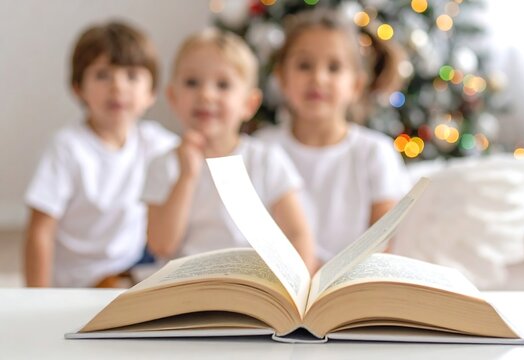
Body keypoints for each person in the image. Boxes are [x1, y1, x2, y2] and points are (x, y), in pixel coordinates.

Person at [141, 28, 317, 273]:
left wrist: (300, 287)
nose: (206, 94)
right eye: (192, 82)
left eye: (223, 85)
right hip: (183, 286)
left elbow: (297, 232)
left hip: (250, 285)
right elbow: (161, 245)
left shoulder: (266, 160)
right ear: (172, 96)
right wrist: (186, 176)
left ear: (249, 104)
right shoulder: (164, 164)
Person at [23, 21, 178, 287]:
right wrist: (37, 295)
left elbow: (199, 160)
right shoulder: (67, 147)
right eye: (102, 75)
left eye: (131, 76)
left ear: (151, 93)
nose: (117, 87)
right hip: (78, 279)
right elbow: (40, 230)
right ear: (78, 88)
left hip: (132, 267)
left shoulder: (154, 141)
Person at [256, 8, 410, 267]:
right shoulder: (260, 148)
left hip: (350, 291)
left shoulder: (375, 152)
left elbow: (383, 241)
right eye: (304, 65)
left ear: (356, 85)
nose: (318, 78)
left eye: (334, 67)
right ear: (282, 77)